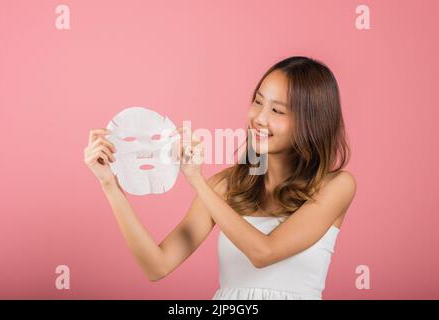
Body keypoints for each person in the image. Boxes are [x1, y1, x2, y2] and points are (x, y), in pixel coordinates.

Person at [84, 56, 357, 300]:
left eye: (277, 111)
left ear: (310, 122)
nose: (259, 118)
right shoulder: (225, 186)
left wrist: (196, 180)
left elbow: (264, 253)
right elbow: (157, 266)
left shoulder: (336, 186)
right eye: (258, 101)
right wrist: (109, 184)